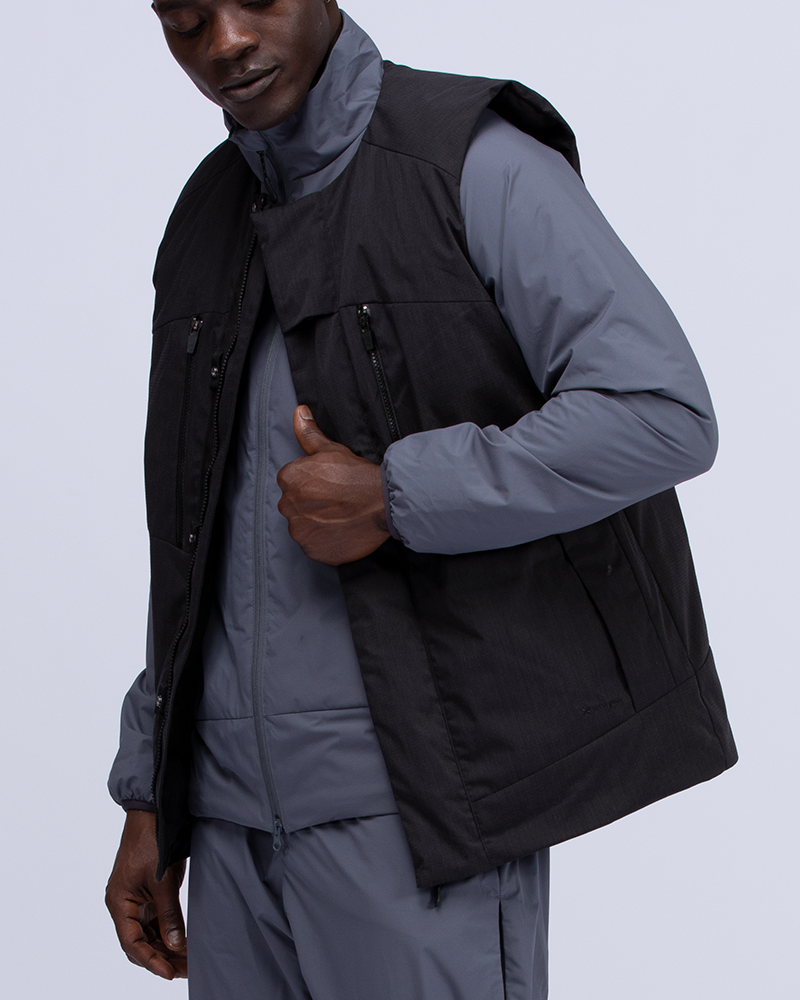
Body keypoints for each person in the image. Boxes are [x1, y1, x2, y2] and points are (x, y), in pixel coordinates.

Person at [105, 2, 737, 997]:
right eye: (185, 18)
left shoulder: (473, 163)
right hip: (229, 833)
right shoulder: (206, 215)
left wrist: (395, 494)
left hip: (415, 821)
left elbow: (660, 413)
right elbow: (190, 532)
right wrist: (152, 790)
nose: (223, 42)